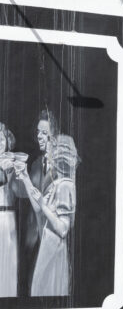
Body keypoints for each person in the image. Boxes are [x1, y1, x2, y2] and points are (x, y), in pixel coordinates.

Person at [17, 134, 79, 296]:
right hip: (48, 247)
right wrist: (25, 178)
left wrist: (44, 205)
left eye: (51, 152)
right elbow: (38, 208)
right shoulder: (56, 183)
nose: (47, 156)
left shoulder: (65, 186)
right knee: (39, 289)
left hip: (55, 250)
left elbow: (63, 229)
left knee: (47, 291)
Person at [0, 122, 25, 297]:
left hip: (7, 217)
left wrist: (16, 174)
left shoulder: (14, 161)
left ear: (8, 141)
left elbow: (21, 193)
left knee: (8, 264)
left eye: (1, 139)